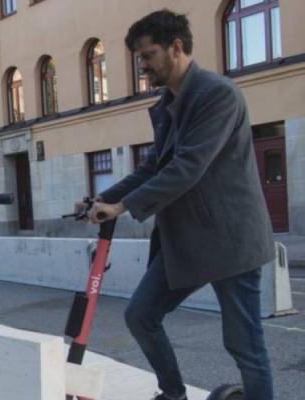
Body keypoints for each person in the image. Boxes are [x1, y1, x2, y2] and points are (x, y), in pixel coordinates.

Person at [81, 10, 275, 400]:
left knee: (244, 345)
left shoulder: (216, 94)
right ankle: (173, 394)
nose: (144, 66)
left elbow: (188, 166)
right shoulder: (171, 101)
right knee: (141, 316)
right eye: (140, 58)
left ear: (177, 47)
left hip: (230, 241)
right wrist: (106, 198)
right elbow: (154, 165)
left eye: (148, 55)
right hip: (186, 240)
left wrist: (122, 208)